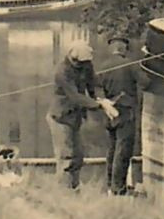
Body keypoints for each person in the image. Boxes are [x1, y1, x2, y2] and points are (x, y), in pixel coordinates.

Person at [45, 40, 117, 190]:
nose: (80, 65)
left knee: (78, 156)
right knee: (66, 157)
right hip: (60, 118)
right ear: (71, 56)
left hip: (75, 117)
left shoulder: (86, 65)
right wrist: (98, 105)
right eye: (77, 62)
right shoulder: (62, 71)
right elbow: (75, 96)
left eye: (83, 63)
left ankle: (74, 187)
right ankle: (63, 192)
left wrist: (100, 97)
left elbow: (92, 84)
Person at [98, 35, 144, 195]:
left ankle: (109, 185)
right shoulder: (130, 65)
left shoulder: (103, 66)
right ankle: (118, 189)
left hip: (109, 112)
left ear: (112, 48)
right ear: (124, 48)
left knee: (112, 149)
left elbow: (97, 87)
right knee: (123, 151)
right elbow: (146, 82)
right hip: (126, 112)